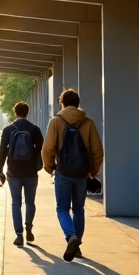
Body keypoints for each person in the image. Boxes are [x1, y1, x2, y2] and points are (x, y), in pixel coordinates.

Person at [42, 88, 104, 262]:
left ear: (62, 103)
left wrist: (50, 167)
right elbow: (97, 149)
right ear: (78, 103)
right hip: (82, 173)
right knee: (78, 209)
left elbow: (47, 148)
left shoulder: (56, 121)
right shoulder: (88, 122)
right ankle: (77, 248)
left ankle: (71, 237)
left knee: (62, 208)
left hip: (63, 172)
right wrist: (94, 169)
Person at [0, 101, 44, 248]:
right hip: (31, 172)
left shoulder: (8, 130)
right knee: (30, 202)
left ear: (15, 112)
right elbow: (41, 146)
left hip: (13, 172)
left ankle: (19, 235)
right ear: (27, 112)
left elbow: (2, 152)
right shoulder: (34, 129)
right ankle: (28, 227)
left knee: (16, 202)